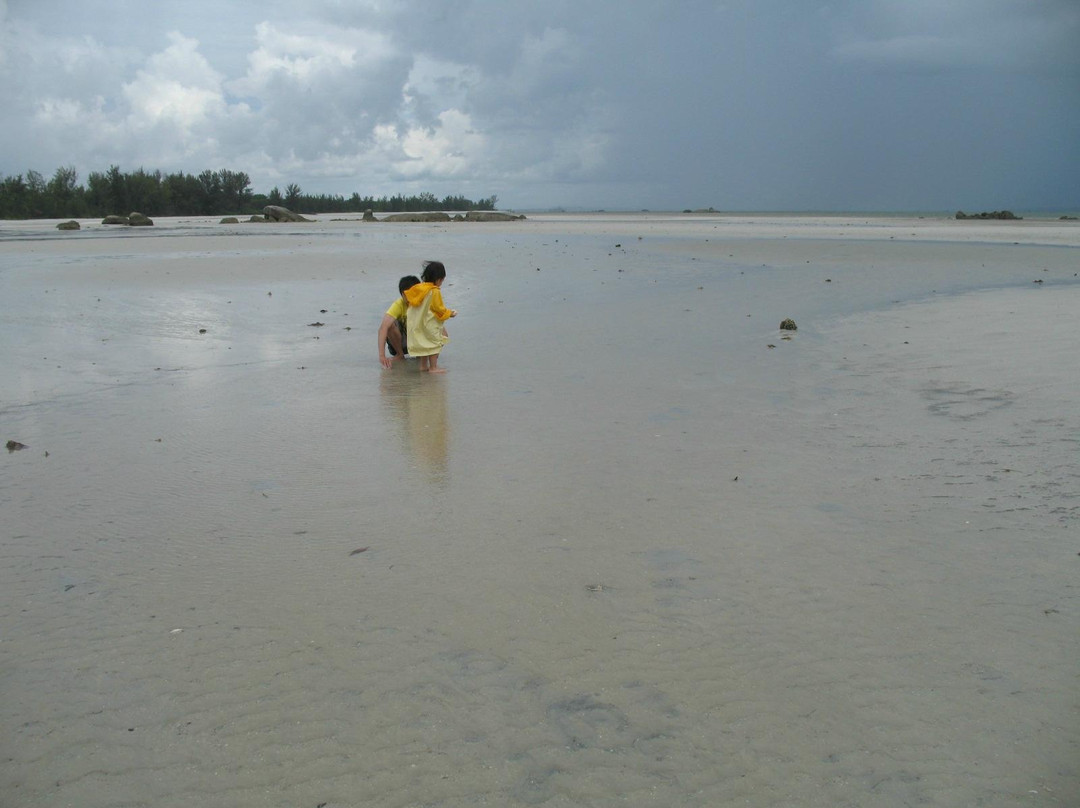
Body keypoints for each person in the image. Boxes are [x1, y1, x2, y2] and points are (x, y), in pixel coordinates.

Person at [403, 260, 457, 373]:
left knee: (424, 343)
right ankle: (433, 367)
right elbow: (438, 308)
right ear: (438, 279)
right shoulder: (434, 291)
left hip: (419, 323)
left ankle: (423, 366)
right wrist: (450, 313)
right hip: (429, 323)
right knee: (434, 344)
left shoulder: (418, 288)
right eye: (442, 280)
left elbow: (407, 298)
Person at [378, 275, 421, 369]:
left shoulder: (423, 303)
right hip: (401, 342)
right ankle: (400, 355)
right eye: (408, 295)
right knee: (389, 325)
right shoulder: (399, 305)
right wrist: (382, 356)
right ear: (402, 294)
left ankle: (422, 355)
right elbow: (383, 328)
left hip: (418, 342)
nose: (411, 298)